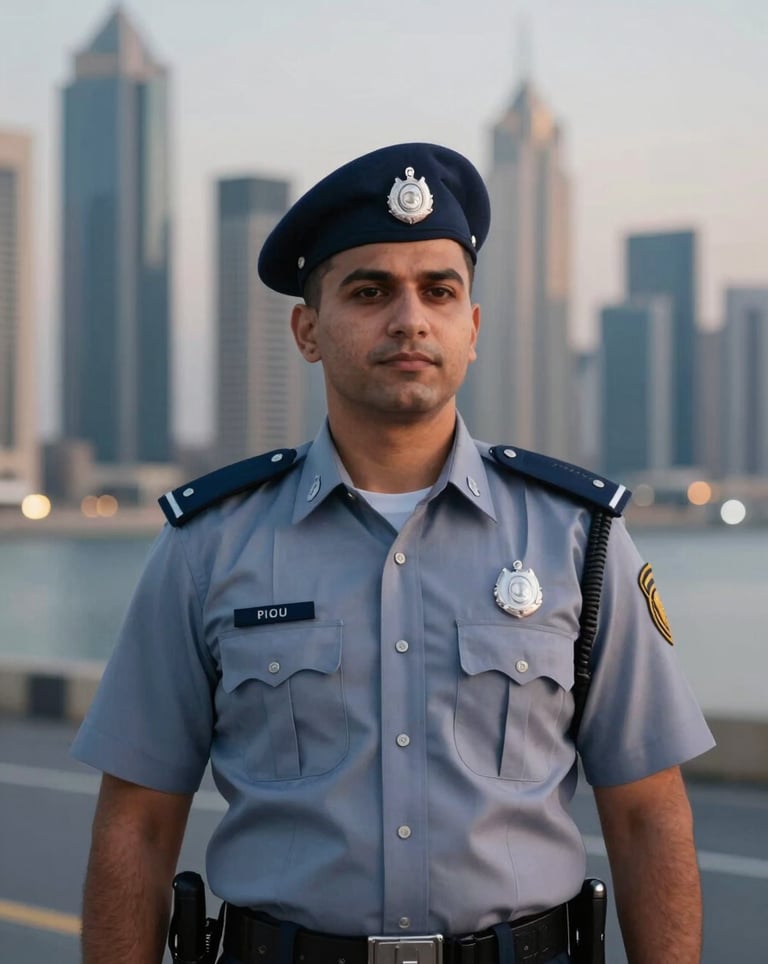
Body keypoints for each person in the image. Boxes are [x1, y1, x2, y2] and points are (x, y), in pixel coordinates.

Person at [72, 142, 714, 964]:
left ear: (471, 329)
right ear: (308, 330)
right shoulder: (209, 545)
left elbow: (647, 812)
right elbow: (139, 817)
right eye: (370, 291)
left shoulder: (581, 539)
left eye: (438, 291)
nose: (409, 318)